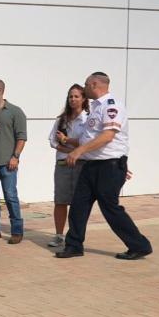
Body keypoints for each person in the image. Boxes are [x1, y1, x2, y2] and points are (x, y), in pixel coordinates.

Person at [56, 72, 153, 260]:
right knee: (78, 206)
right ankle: (74, 245)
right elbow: (89, 137)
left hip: (109, 166)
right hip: (92, 166)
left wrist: (78, 151)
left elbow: (108, 136)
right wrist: (69, 141)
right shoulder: (96, 108)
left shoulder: (111, 105)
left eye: (85, 85)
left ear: (94, 84)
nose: (83, 89)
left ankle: (139, 245)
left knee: (110, 207)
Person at [0, 78, 27, 244]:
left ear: (1, 91)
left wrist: (15, 157)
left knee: (10, 196)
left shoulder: (15, 111)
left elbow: (21, 137)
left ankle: (17, 230)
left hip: (8, 163)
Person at [47, 84, 88, 248]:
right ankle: (59, 235)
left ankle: (75, 235)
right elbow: (52, 140)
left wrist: (67, 142)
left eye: (77, 96)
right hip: (63, 164)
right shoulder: (61, 120)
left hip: (81, 164)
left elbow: (88, 142)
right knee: (60, 201)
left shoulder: (87, 119)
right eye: (70, 96)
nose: (73, 99)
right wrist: (65, 148)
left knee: (78, 202)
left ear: (84, 99)